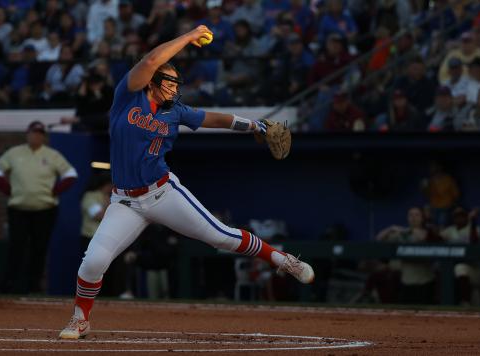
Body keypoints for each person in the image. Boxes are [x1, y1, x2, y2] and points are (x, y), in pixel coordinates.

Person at [58, 25, 315, 339]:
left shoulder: (175, 111)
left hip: (162, 192)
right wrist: (190, 36)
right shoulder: (127, 97)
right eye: (170, 81)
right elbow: (152, 60)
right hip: (125, 201)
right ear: (153, 83)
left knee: (221, 236)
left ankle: (283, 259)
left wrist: (254, 126)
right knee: (94, 260)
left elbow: (214, 119)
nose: (174, 87)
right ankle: (80, 319)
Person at [0, 121, 78, 294]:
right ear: (27, 134)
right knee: (16, 247)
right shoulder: (14, 153)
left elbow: (71, 174)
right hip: (18, 208)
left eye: (39, 134)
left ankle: (34, 286)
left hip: (45, 209)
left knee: (40, 248)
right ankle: (9, 284)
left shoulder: (52, 155)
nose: (35, 136)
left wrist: (55, 191)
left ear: (43, 137)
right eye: (32, 133)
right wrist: (8, 189)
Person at [376, 207, 437, 305]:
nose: (413, 218)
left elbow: (425, 239)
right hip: (407, 281)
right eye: (410, 215)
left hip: (426, 280)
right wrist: (391, 228)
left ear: (422, 218)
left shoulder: (429, 232)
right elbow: (379, 239)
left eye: (417, 215)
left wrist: (413, 231)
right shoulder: (403, 233)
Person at [439, 207, 480, 305]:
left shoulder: (474, 228)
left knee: (460, 268)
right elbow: (436, 239)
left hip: (475, 270)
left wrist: (473, 221)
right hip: (455, 271)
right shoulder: (450, 230)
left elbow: (474, 242)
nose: (459, 219)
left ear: (467, 217)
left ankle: (465, 302)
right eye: (456, 216)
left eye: (462, 216)